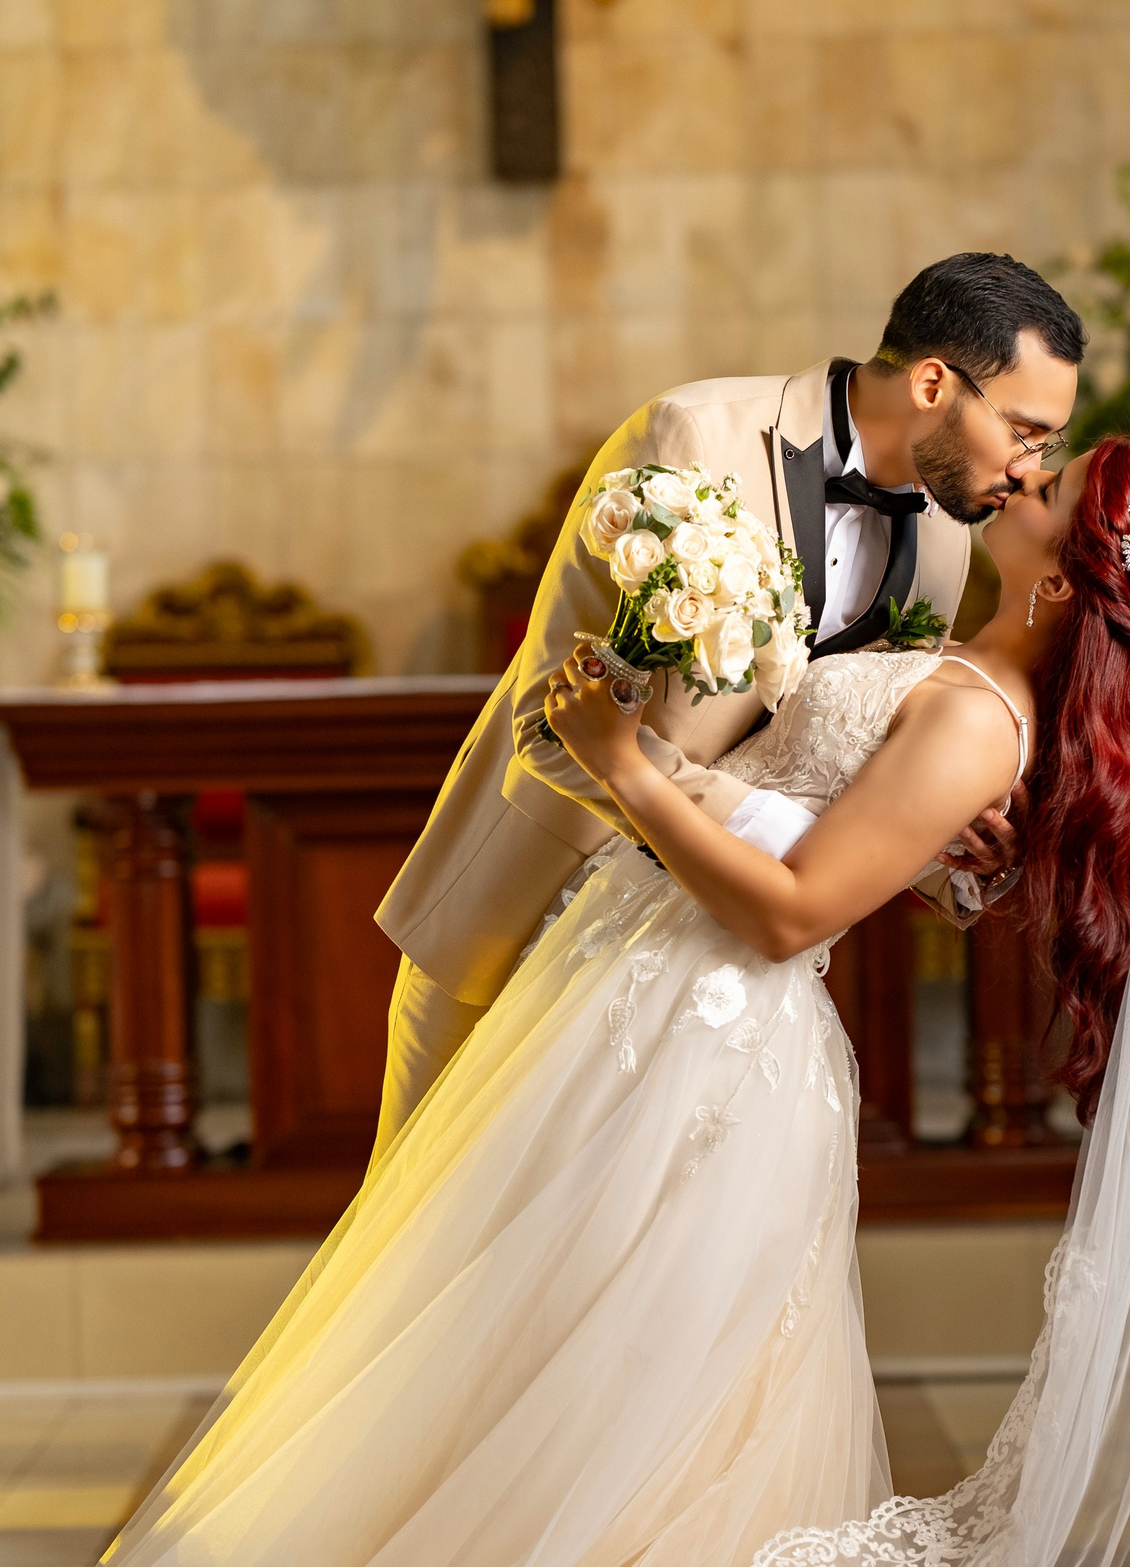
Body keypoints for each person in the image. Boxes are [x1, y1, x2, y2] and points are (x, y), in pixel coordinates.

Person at [6, 437, 1130, 1567]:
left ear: (1066, 581)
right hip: (651, 998)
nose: (1020, 475)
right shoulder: (970, 681)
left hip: (716, 1040)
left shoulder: (975, 712)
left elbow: (792, 909)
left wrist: (628, 765)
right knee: (557, 1355)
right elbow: (816, 820)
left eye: (1050, 486)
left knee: (642, 1386)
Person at [370, 253, 1086, 1158]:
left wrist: (943, 849)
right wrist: (776, 844)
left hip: (704, 978)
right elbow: (555, 729)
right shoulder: (691, 437)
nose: (1030, 470)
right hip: (529, 921)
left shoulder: (947, 532)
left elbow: (836, 746)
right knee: (428, 1260)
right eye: (1025, 432)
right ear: (936, 383)